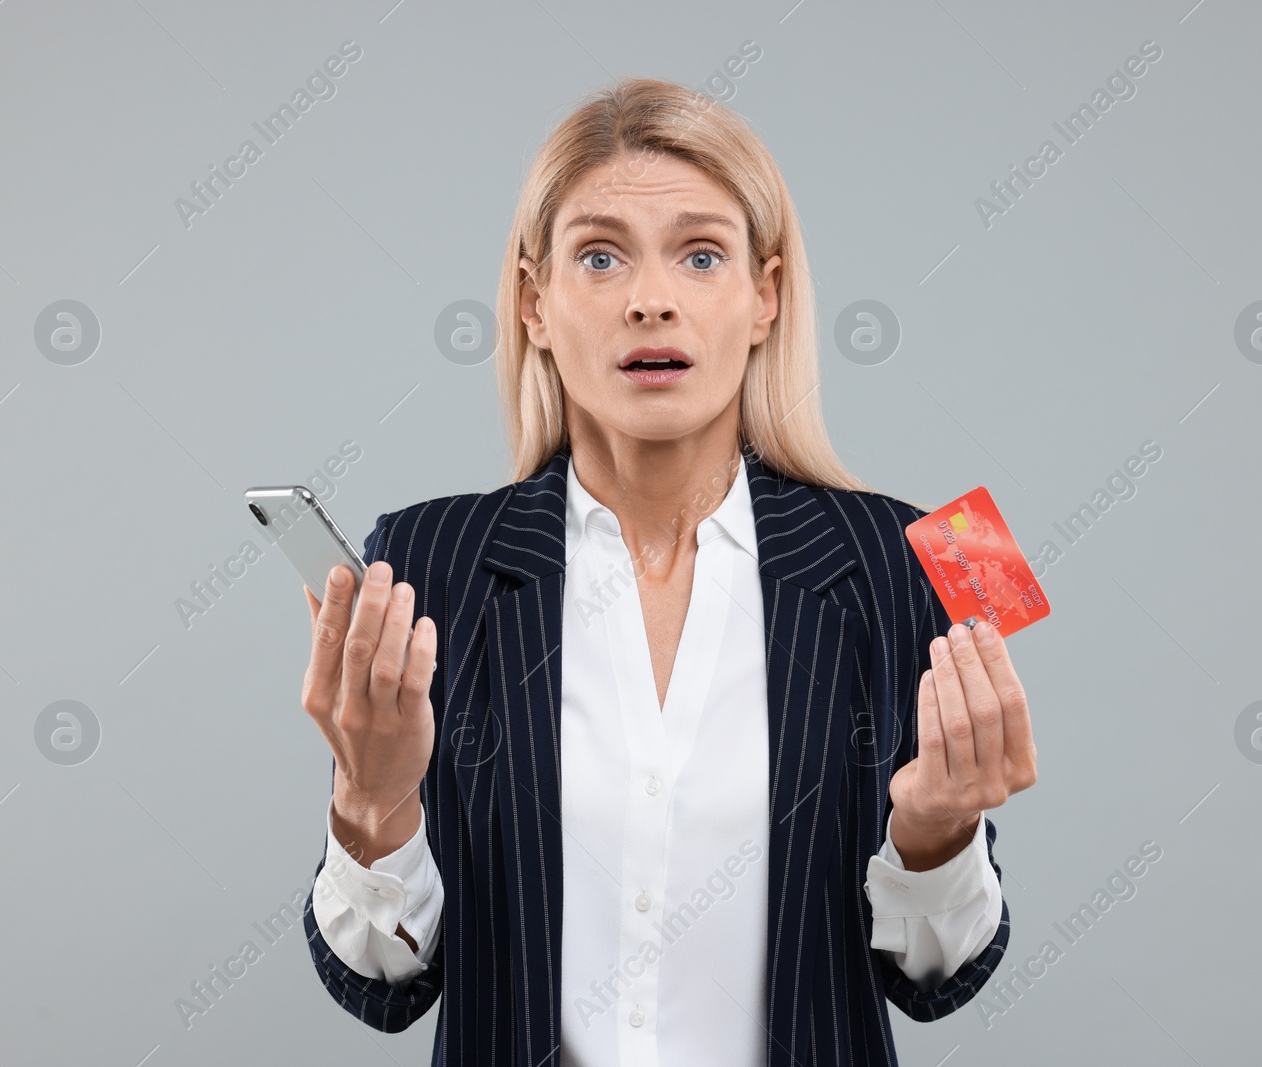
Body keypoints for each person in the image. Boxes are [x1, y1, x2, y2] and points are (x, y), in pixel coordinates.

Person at [298, 77, 1037, 1067]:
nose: (651, 297)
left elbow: (938, 980)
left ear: (765, 294)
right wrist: (371, 802)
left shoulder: (924, 558)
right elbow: (381, 988)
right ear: (534, 302)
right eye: (599, 256)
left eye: (700, 253)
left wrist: (937, 833)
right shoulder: (422, 561)